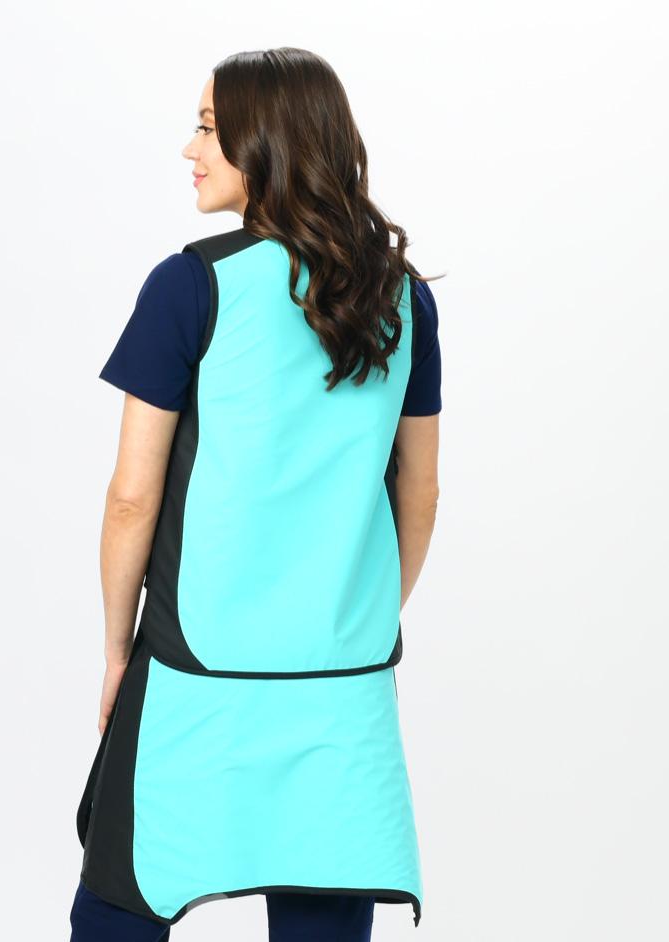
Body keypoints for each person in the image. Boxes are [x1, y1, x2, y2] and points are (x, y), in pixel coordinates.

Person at [69, 47, 442, 941]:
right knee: (325, 912)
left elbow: (131, 499)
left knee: (122, 905)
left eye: (207, 127)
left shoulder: (190, 285)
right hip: (340, 678)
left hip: (193, 667)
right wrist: (354, 617)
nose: (189, 149)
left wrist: (118, 649)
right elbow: (420, 491)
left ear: (265, 140)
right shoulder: (401, 299)